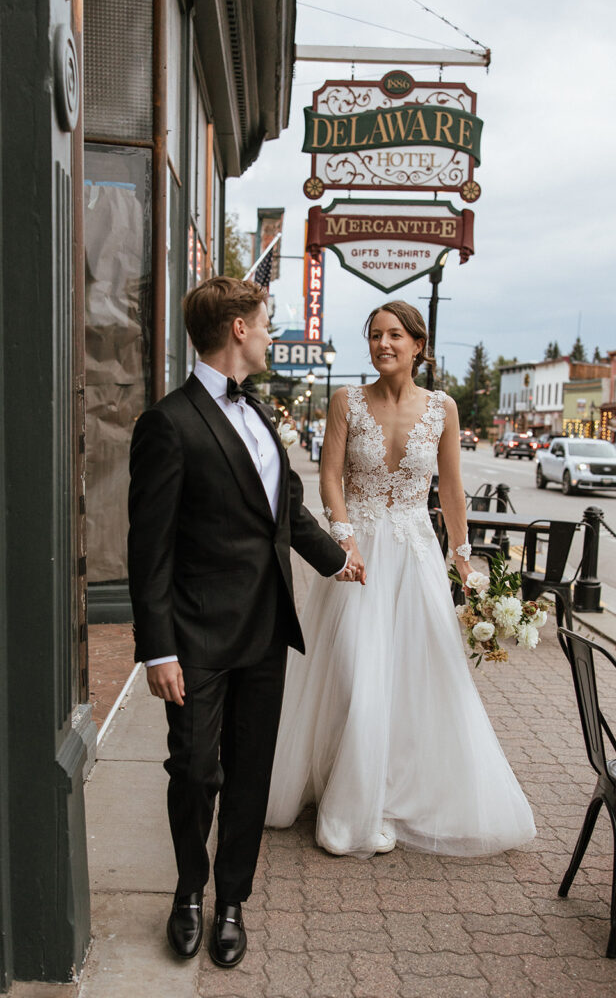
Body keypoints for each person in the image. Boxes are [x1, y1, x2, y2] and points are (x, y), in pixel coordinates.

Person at [127, 276, 353, 968]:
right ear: (236, 330)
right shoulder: (169, 422)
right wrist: (156, 648)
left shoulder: (258, 416)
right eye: (265, 322)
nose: (270, 333)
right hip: (194, 634)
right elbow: (148, 548)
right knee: (195, 769)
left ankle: (230, 901)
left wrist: (336, 557)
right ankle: (188, 890)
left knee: (250, 772)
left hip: (265, 629)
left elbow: (282, 504)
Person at [266, 300, 536, 857]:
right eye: (374, 336)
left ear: (418, 344)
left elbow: (453, 492)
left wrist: (464, 562)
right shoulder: (347, 402)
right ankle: (346, 794)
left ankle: (390, 793)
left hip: (414, 556)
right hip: (358, 556)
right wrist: (343, 538)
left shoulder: (443, 409)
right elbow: (331, 478)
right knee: (353, 672)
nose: (382, 345)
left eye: (394, 335)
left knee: (413, 673)